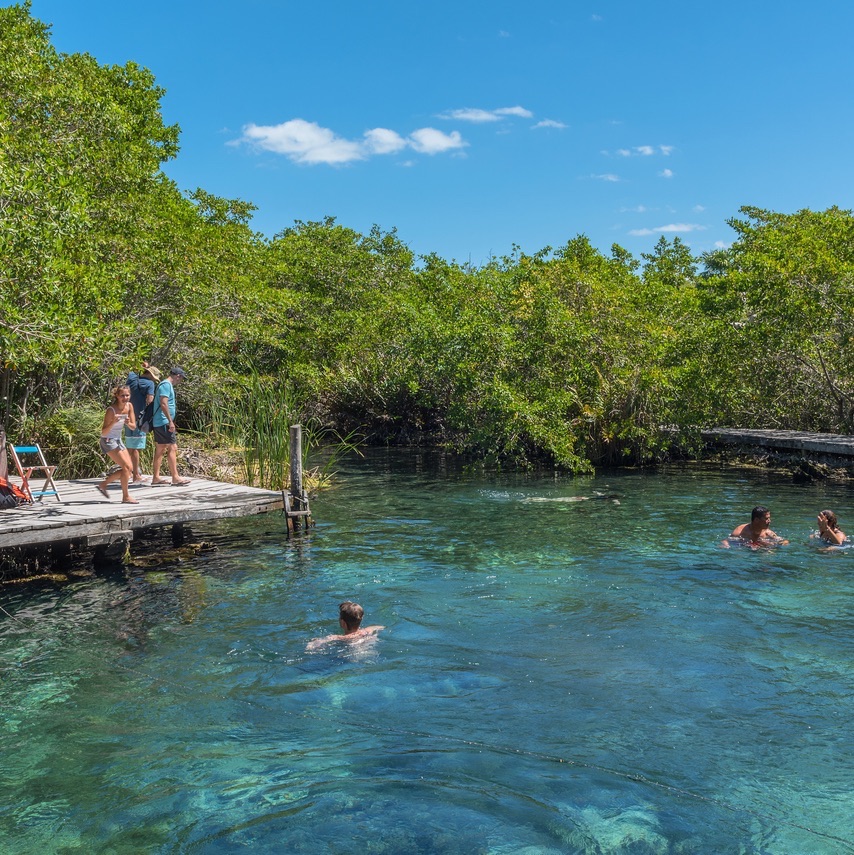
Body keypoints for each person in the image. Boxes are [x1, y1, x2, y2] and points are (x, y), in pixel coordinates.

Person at [95, 386, 139, 504]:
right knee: (126, 467)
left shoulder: (129, 406)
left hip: (118, 440)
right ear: (117, 396)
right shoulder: (111, 410)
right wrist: (113, 422)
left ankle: (103, 485)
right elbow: (103, 432)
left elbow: (134, 426)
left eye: (127, 395)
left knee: (129, 469)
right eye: (122, 396)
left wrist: (128, 422)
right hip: (108, 440)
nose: (125, 398)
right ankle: (125, 496)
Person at [150, 366, 192, 487]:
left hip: (161, 422)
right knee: (172, 447)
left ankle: (156, 477)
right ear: (177, 376)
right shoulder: (166, 385)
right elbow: (163, 403)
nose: (181, 381)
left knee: (160, 449)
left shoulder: (165, 385)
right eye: (181, 378)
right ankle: (175, 477)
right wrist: (170, 421)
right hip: (163, 422)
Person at [126, 362, 160, 484]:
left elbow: (132, 368)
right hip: (139, 419)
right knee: (136, 448)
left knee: (130, 446)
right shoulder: (150, 384)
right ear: (151, 375)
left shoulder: (133, 380)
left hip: (127, 417)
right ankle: (136, 476)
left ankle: (128, 473)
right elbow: (150, 400)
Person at [306, 601, 385, 651]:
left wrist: (313, 643)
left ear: (343, 623)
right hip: (369, 649)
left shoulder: (338, 638)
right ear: (362, 619)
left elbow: (312, 646)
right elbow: (381, 627)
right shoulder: (368, 630)